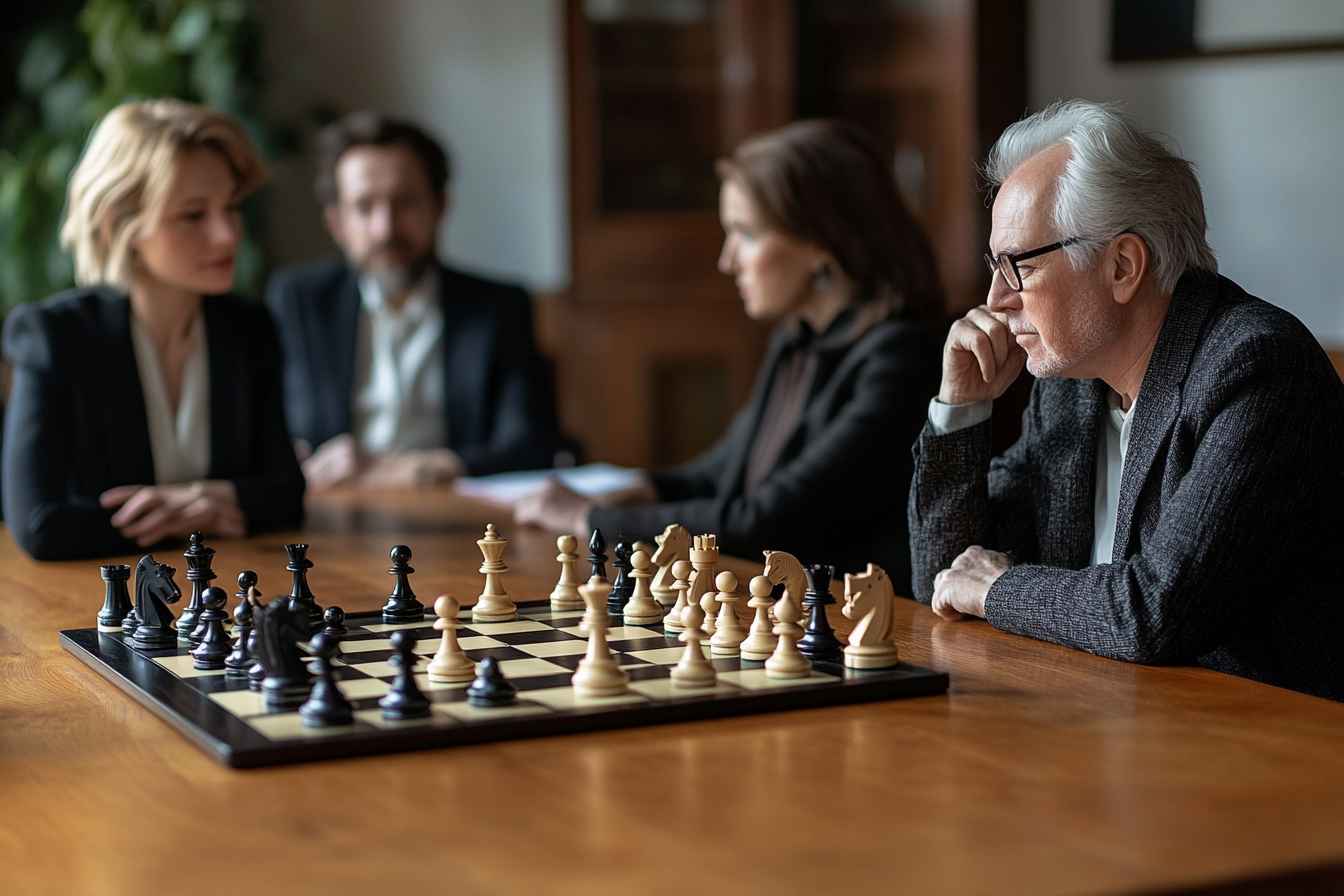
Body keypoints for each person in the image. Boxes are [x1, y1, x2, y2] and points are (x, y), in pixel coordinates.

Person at [910, 100, 1344, 699]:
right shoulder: (1069, 389)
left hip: (1263, 747)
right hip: (1100, 719)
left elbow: (1154, 611)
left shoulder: (1258, 369)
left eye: (1018, 268)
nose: (994, 300)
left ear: (1122, 266)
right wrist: (961, 409)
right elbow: (944, 575)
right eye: (994, 267)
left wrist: (998, 589)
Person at [517, 119, 944, 589]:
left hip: (855, 625)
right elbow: (723, 471)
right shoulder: (799, 336)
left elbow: (770, 520)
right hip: (779, 601)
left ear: (824, 242)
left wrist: (591, 517)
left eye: (746, 234)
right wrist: (639, 491)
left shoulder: (902, 357)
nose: (727, 260)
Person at [2, 99, 305, 561]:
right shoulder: (55, 336)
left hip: (229, 596)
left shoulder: (249, 329)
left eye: (232, 207)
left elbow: (287, 495)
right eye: (193, 215)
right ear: (120, 224)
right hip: (98, 612)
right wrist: (203, 513)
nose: (228, 235)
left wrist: (191, 507)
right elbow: (40, 524)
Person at [266, 112, 563, 489]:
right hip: (328, 517)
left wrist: (417, 471)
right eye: (364, 206)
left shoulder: (500, 308)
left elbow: (531, 444)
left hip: (459, 518)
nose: (385, 228)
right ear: (336, 222)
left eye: (405, 202)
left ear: (440, 206)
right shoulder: (299, 301)